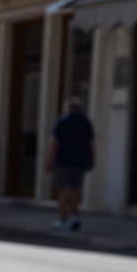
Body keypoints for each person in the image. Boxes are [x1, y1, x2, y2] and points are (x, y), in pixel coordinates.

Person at [45, 97, 95, 233]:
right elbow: (91, 144)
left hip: (62, 161)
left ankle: (63, 220)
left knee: (61, 191)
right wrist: (92, 159)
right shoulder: (86, 123)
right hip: (79, 161)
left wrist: (49, 161)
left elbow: (55, 143)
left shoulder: (62, 122)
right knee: (75, 190)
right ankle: (74, 218)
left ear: (68, 109)